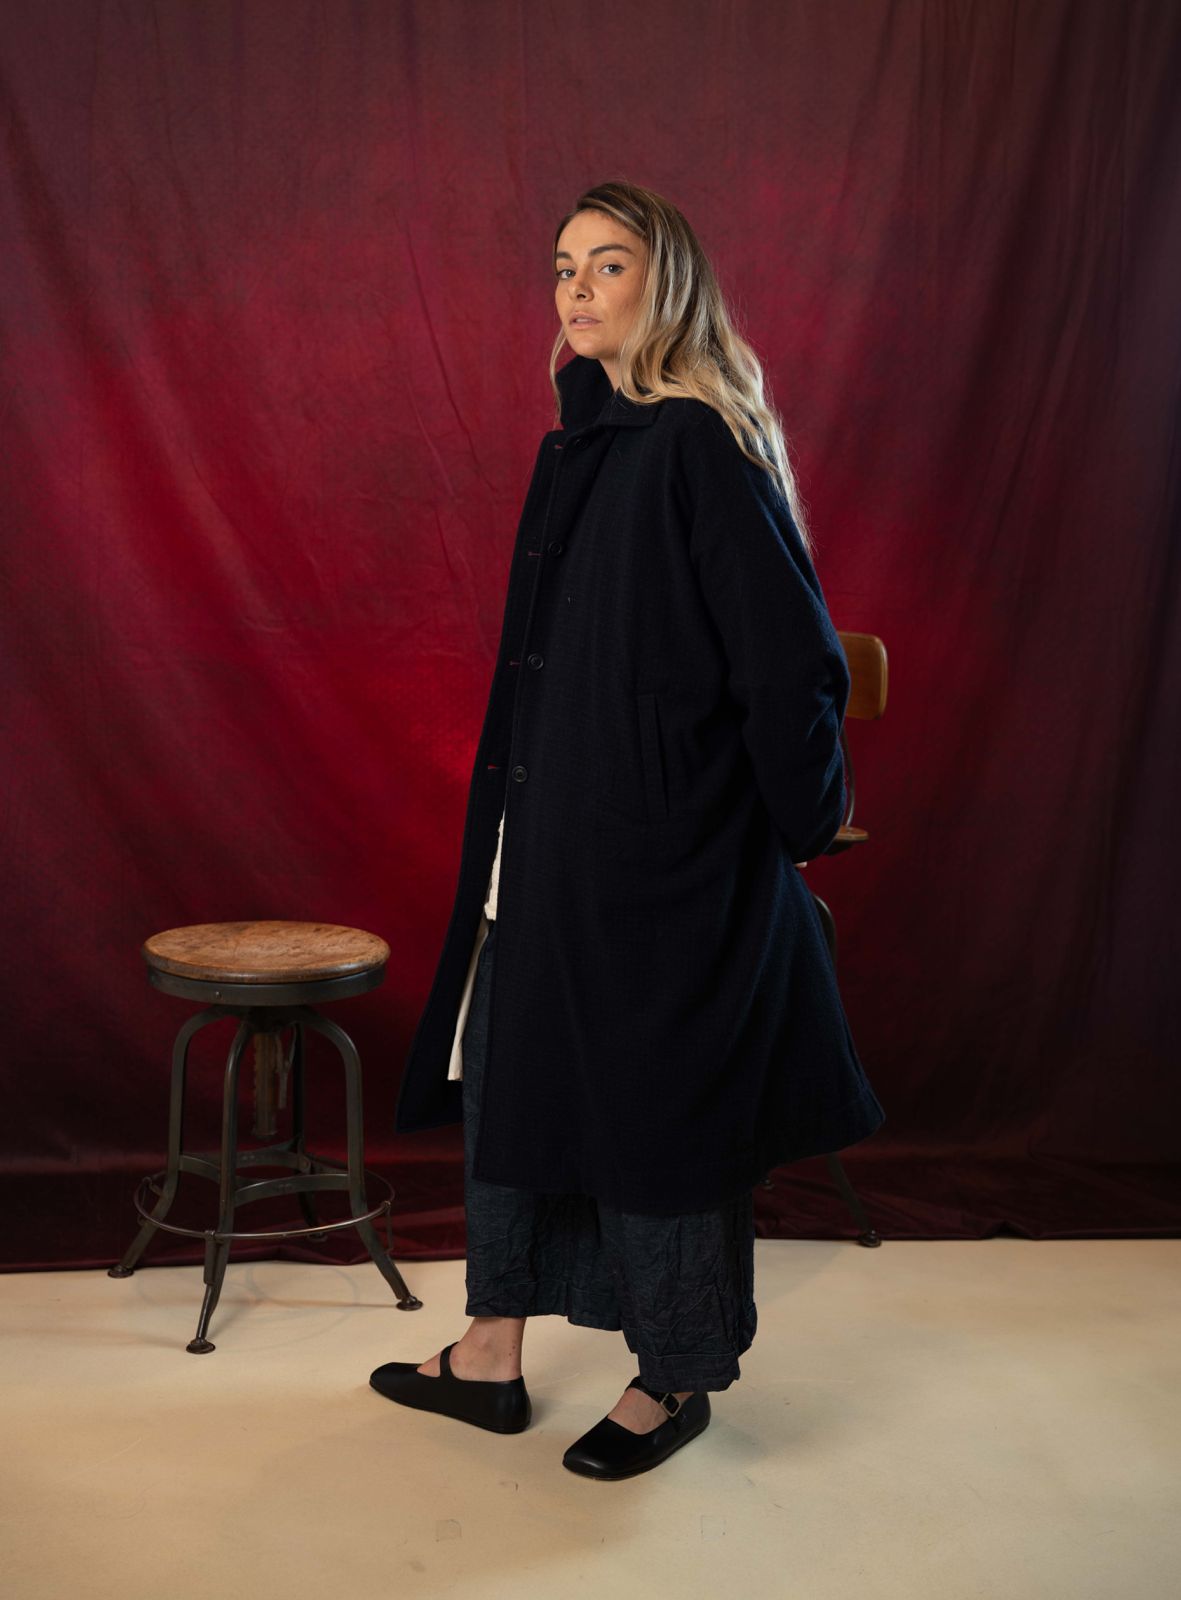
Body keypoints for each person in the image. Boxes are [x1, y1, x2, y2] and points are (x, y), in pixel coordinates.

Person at [371, 181, 885, 1480]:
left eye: (608, 263)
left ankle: (674, 1376)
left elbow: (793, 663)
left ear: (669, 283)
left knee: (660, 1112)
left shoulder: (695, 439)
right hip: (547, 834)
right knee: (508, 1065)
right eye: (563, 266)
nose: (577, 287)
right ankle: (490, 1349)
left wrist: (799, 822)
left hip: (660, 854)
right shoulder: (587, 438)